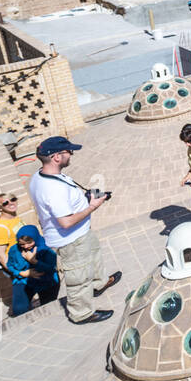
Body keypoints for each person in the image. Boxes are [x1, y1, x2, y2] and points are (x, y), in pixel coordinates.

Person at [27, 136, 121, 324]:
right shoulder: (52, 188)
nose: (71, 154)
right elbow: (66, 222)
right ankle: (82, 313)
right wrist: (93, 206)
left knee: (93, 256)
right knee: (78, 275)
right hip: (71, 238)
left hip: (81, 232)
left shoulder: (42, 176)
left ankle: (98, 284)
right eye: (68, 152)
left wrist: (86, 198)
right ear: (56, 157)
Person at [3, 225, 60, 317]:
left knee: (48, 310)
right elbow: (10, 265)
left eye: (29, 243)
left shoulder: (46, 248)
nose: (26, 246)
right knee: (19, 310)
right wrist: (21, 273)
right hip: (23, 281)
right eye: (22, 244)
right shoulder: (14, 250)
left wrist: (34, 261)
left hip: (46, 281)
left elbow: (51, 268)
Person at [0, 193, 23, 269]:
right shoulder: (0, 229)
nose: (11, 203)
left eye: (13, 199)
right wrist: (19, 273)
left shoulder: (15, 218)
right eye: (5, 203)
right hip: (19, 266)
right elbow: (0, 256)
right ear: (0, 208)